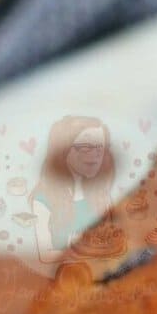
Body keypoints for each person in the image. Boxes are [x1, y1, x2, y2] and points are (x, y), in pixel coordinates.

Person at [29, 115, 116, 273]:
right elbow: (45, 254)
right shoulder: (43, 199)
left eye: (100, 148)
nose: (96, 155)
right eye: (86, 147)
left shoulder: (99, 193)